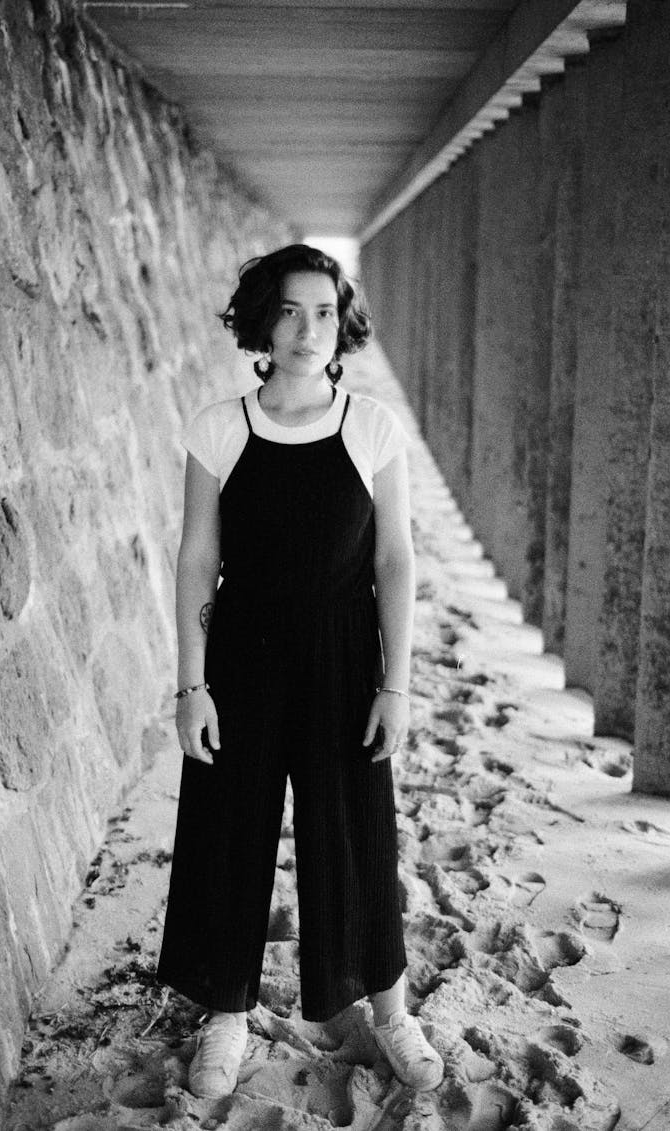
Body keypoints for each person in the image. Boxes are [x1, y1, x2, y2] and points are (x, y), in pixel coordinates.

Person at [156, 243, 443, 1098]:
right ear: (262, 320)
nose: (307, 328)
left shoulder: (371, 426)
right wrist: (191, 683)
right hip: (242, 653)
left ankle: (390, 1009)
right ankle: (227, 1013)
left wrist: (396, 684)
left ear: (342, 322)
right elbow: (195, 558)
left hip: (345, 658)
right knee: (227, 830)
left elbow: (396, 560)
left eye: (324, 311)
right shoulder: (218, 425)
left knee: (354, 833)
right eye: (289, 309)